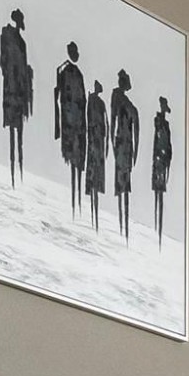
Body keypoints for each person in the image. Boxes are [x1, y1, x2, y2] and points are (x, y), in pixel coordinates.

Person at [0, 8, 33, 183]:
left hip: (19, 90)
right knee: (12, 129)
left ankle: (19, 168)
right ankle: (12, 168)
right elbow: (3, 61)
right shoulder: (6, 34)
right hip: (10, 88)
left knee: (19, 130)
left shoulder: (22, 43)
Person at [53, 40, 86, 212]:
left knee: (77, 162)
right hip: (70, 123)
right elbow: (59, 97)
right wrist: (59, 125)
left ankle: (77, 199)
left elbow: (82, 102)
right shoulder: (64, 72)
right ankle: (73, 202)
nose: (75, 55)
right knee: (72, 159)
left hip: (78, 125)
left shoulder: (78, 74)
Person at [110, 69, 138, 237]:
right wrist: (113, 142)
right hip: (122, 144)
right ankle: (122, 225)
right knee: (121, 184)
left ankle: (124, 224)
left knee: (125, 184)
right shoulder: (118, 97)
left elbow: (135, 129)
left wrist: (133, 149)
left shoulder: (128, 103)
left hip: (125, 145)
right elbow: (113, 118)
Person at [82, 72, 109, 229]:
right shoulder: (93, 101)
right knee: (93, 168)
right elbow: (91, 119)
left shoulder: (100, 103)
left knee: (96, 169)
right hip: (94, 139)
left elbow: (105, 123)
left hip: (98, 140)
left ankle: (95, 196)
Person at [149, 94, 173, 241]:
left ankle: (159, 224)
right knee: (158, 190)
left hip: (163, 160)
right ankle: (156, 224)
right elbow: (160, 140)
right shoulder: (158, 121)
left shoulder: (166, 125)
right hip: (159, 159)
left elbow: (168, 143)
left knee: (161, 190)